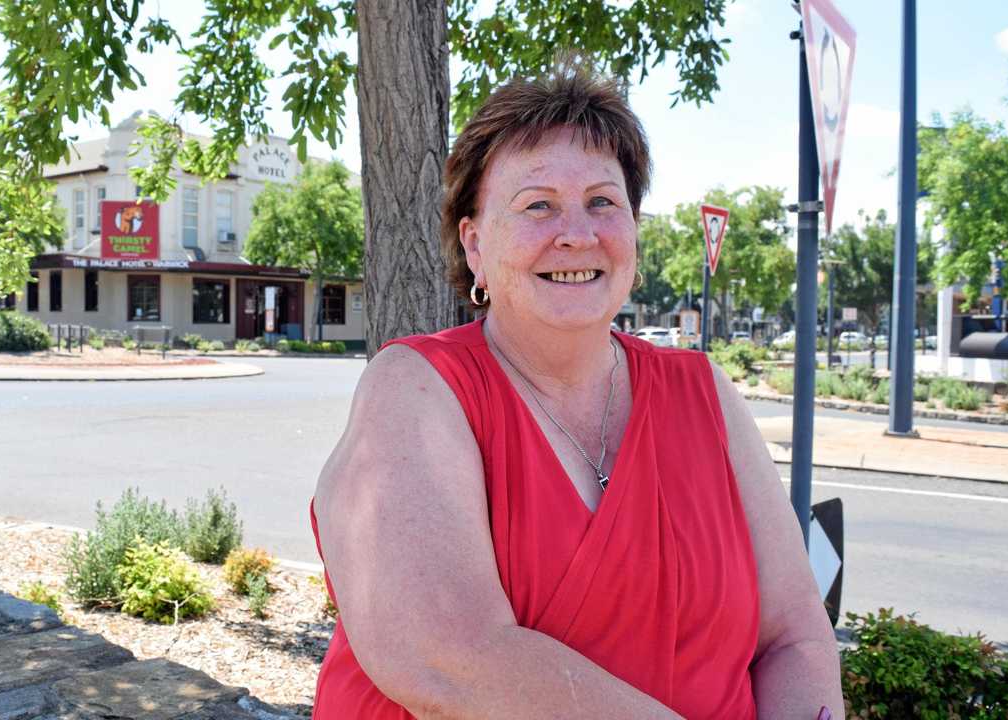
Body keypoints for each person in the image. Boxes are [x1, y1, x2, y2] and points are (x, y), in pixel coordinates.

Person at [310, 59, 843, 719]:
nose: (578, 233)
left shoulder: (705, 391)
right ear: (474, 245)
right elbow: (448, 660)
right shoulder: (415, 388)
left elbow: (794, 637)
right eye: (538, 206)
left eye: (602, 202)